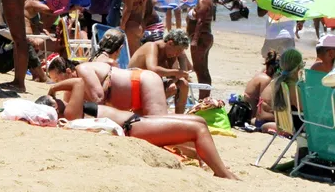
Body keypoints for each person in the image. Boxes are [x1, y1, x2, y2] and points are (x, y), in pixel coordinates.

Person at [42, 61, 237, 179]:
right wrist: (53, 89)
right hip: (133, 127)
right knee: (197, 129)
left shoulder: (71, 111)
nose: (58, 97)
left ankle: (214, 164)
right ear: (53, 108)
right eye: (54, 101)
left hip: (135, 120)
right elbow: (78, 83)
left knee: (199, 123)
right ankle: (222, 172)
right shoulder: (69, 115)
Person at [128, 29, 193, 114]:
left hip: (150, 85)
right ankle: (144, 111)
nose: (177, 55)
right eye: (177, 51)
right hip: (135, 84)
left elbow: (174, 75)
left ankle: (179, 116)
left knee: (183, 84)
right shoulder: (151, 46)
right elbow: (153, 69)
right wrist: (176, 73)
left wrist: (173, 81)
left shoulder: (170, 53)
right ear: (170, 43)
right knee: (172, 86)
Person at [257, 48, 304, 133]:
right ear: (298, 68)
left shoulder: (277, 81)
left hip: (283, 123)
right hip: (297, 127)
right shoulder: (292, 86)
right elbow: (304, 110)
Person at [187, 0, 214, 98]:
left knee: (200, 70)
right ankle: (204, 97)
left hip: (201, 38)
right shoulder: (205, 0)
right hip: (204, 37)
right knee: (203, 69)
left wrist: (195, 40)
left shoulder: (203, 1)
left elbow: (200, 22)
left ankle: (203, 98)